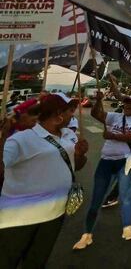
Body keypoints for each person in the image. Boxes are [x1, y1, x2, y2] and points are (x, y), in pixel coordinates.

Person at [1, 94, 89, 268]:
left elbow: (76, 167)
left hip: (54, 214)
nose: (73, 114)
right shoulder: (21, 139)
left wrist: (79, 154)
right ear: (58, 116)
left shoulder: (70, 134)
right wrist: (2, 138)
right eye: (68, 111)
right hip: (19, 218)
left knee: (36, 262)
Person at [73, 90, 131, 250]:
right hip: (106, 162)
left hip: (126, 162)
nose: (127, 104)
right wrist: (99, 100)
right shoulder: (116, 116)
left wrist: (112, 136)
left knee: (125, 196)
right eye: (126, 101)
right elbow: (96, 114)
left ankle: (127, 228)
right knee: (96, 200)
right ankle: (87, 234)